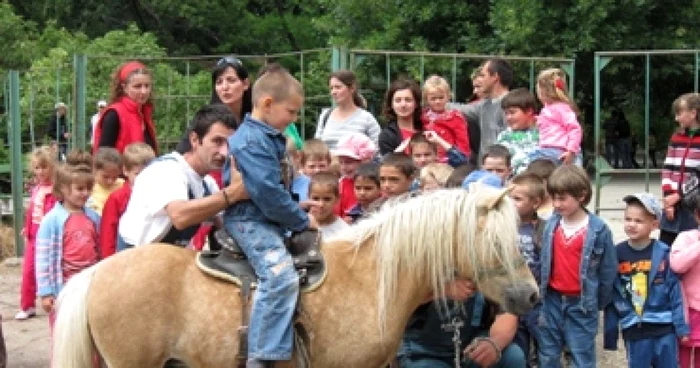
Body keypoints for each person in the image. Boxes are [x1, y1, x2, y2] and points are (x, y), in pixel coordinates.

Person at [222, 68, 319, 367]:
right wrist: (300, 221)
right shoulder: (252, 141)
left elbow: (275, 190)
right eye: (290, 111)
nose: (293, 118)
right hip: (250, 221)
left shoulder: (268, 137)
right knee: (281, 276)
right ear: (266, 104)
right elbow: (265, 191)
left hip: (266, 217)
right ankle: (261, 356)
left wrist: (294, 205)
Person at [118, 104, 246, 248]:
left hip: (167, 260)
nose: (224, 152)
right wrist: (231, 194)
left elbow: (225, 224)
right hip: (134, 263)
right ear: (195, 140)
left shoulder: (208, 185)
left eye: (229, 144)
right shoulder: (167, 170)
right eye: (217, 142)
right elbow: (179, 216)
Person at [538, 165, 617, 368]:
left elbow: (608, 272)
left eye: (562, 198)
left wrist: (595, 302)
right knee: (548, 353)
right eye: (554, 197)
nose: (556, 204)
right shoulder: (551, 226)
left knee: (581, 354)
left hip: (582, 302)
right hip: (552, 299)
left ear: (582, 195)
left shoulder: (599, 230)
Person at [603, 193, 688, 368]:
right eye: (628, 219)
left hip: (664, 326)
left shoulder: (663, 253)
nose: (631, 224)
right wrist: (610, 334)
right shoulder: (616, 254)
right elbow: (612, 295)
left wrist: (681, 328)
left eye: (639, 221)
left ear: (655, 224)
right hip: (634, 329)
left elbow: (676, 292)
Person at [35, 150, 100, 336]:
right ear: (63, 188)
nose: (85, 194)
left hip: (89, 286)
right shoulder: (52, 220)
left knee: (89, 333)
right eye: (80, 189)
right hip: (61, 288)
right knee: (64, 335)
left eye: (88, 189)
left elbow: (100, 250)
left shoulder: (94, 218)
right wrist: (46, 292)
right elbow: (43, 259)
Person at [16, 146, 57, 320]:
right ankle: (27, 305)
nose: (40, 171)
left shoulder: (56, 189)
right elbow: (32, 210)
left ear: (52, 167)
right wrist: (27, 227)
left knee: (51, 269)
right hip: (34, 234)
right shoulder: (37, 188)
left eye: (44, 167)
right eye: (37, 167)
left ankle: (55, 300)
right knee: (28, 270)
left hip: (49, 236)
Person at [509, 173, 545, 368]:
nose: (510, 203)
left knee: (545, 348)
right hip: (513, 300)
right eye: (508, 197)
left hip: (538, 301)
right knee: (518, 349)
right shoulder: (503, 227)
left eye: (517, 199)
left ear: (536, 203)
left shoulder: (543, 229)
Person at [450, 58, 513, 165]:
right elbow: (461, 109)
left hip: (503, 169)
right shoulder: (484, 105)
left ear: (495, 77)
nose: (480, 79)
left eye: (483, 75)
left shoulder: (512, 105)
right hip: (484, 170)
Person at [100, 143, 156, 257]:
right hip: (123, 254)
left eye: (148, 173)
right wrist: (109, 259)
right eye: (138, 174)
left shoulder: (155, 195)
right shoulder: (117, 198)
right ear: (125, 171)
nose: (144, 178)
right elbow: (108, 233)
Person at [660, 93, 700, 247]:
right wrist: (669, 198)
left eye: (679, 113)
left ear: (693, 113)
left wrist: (679, 195)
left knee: (690, 246)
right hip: (673, 203)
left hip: (693, 204)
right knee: (666, 246)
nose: (676, 118)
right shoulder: (677, 137)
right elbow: (667, 167)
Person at [93, 60, 157, 155]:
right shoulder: (114, 114)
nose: (144, 91)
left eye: (147, 86)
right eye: (137, 86)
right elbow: (104, 158)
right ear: (124, 87)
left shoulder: (145, 112)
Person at [315, 70, 381, 151]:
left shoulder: (366, 118)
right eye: (331, 88)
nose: (333, 92)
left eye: (338, 87)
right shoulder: (325, 116)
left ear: (352, 88)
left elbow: (378, 149)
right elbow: (317, 148)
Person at [528, 68, 582, 166]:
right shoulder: (548, 109)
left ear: (543, 91)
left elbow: (574, 129)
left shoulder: (562, 108)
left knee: (532, 159)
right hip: (549, 149)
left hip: (558, 150)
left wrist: (571, 150)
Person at [670, 194, 700, 368]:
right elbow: (677, 264)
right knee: (681, 357)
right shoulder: (687, 238)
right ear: (697, 215)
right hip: (689, 312)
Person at [421, 75, 470, 161]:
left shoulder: (455, 118)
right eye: (433, 99)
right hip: (425, 160)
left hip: (448, 162)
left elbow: (463, 147)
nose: (438, 101)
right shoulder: (422, 117)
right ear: (426, 99)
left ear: (448, 96)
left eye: (441, 97)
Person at [333, 133, 378, 217]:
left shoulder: (377, 182)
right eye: (341, 162)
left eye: (348, 162)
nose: (343, 167)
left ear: (365, 160)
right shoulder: (341, 185)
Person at [496, 88, 540, 175]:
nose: (508, 117)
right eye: (506, 113)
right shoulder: (504, 136)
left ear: (529, 111)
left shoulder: (546, 131)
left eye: (512, 113)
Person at [379, 78, 424, 155]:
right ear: (391, 105)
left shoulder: (427, 129)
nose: (403, 105)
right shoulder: (387, 136)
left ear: (416, 103)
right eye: (398, 100)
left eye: (408, 100)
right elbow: (387, 164)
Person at [308, 172, 348, 237]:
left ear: (337, 199)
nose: (321, 204)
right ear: (308, 197)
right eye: (316, 199)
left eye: (327, 199)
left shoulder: (344, 231)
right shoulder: (300, 225)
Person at [87, 147, 124, 215]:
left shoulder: (122, 184)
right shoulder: (89, 186)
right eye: (105, 177)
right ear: (94, 170)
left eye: (115, 177)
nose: (110, 181)